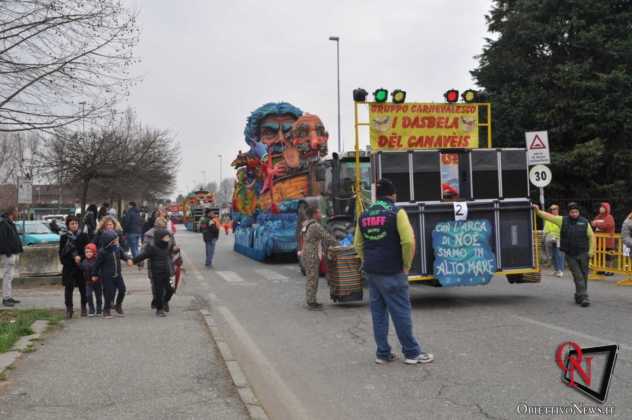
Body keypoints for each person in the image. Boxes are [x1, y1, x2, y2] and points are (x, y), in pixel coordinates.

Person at [354, 178, 434, 365]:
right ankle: (412, 353)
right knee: (401, 312)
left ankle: (382, 353)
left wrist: (368, 261)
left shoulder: (364, 215)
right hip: (392, 270)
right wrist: (406, 265)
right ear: (393, 195)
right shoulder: (397, 212)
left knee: (378, 313)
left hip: (372, 272)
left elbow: (357, 244)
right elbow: (408, 241)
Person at [534, 202, 595, 307]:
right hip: (570, 254)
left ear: (579, 212)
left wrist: (591, 251)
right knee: (578, 275)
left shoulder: (584, 222)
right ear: (569, 212)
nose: (574, 214)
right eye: (572, 212)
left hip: (584, 253)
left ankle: (579, 295)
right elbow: (548, 217)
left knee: (584, 276)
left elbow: (591, 237)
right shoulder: (562, 220)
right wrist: (538, 211)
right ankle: (584, 297)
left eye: (576, 212)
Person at [131, 229, 178, 317]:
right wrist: (132, 261)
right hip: (157, 274)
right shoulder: (152, 248)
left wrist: (175, 250)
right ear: (160, 238)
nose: (168, 239)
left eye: (168, 237)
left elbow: (171, 253)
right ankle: (159, 310)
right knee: (158, 292)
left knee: (171, 289)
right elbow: (142, 256)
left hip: (167, 273)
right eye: (166, 237)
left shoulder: (166, 246)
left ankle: (164, 302)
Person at [301, 206, 338, 310]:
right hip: (311, 254)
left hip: (307, 253)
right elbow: (326, 236)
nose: (320, 214)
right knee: (313, 278)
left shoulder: (307, 224)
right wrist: (339, 244)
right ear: (314, 214)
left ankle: (311, 300)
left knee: (311, 277)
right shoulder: (315, 226)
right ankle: (311, 302)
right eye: (318, 212)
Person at [93, 230, 131, 318]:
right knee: (108, 293)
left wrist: (128, 259)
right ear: (109, 242)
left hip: (118, 274)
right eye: (115, 240)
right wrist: (94, 275)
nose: (117, 242)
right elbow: (96, 265)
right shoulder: (102, 252)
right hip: (107, 276)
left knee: (122, 289)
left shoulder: (118, 249)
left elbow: (123, 256)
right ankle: (106, 310)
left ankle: (118, 305)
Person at [59, 215, 90, 319]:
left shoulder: (83, 236)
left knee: (83, 288)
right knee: (69, 288)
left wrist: (80, 257)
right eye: (72, 223)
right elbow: (61, 254)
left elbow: (88, 251)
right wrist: (70, 261)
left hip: (81, 266)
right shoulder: (64, 237)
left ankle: (84, 307)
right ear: (68, 225)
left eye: (76, 223)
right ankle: (69, 308)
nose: (74, 225)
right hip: (69, 266)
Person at [144, 217, 176, 310]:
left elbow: (173, 246)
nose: (161, 230)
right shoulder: (149, 235)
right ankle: (158, 303)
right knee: (155, 285)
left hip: (167, 263)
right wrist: (140, 262)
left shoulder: (169, 234)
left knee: (169, 286)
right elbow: (144, 249)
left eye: (163, 227)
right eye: (159, 227)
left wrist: (175, 251)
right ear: (155, 226)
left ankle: (164, 301)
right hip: (154, 264)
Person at [0, 207, 24, 307]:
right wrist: (9, 252)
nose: (18, 213)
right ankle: (6, 298)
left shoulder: (9, 222)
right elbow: (3, 240)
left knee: (10, 276)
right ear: (12, 212)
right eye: (16, 211)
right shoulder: (4, 223)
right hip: (8, 254)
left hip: (12, 253)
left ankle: (8, 296)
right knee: (7, 276)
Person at [591, 202, 615, 276]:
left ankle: (609, 270)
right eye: (600, 207)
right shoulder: (598, 216)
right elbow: (593, 223)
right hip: (599, 241)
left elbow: (607, 225)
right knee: (600, 255)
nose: (601, 208)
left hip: (608, 241)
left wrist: (597, 224)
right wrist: (594, 223)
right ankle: (601, 269)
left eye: (603, 207)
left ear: (606, 209)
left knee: (609, 256)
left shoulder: (609, 217)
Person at [81, 243, 102, 317]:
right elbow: (82, 269)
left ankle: (99, 308)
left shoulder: (97, 261)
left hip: (97, 281)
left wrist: (96, 276)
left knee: (98, 296)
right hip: (88, 282)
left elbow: (100, 270)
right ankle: (91, 309)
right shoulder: (84, 262)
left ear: (94, 252)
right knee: (88, 295)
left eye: (90, 252)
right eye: (86, 252)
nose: (88, 254)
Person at [543, 204, 565, 277]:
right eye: (552, 209)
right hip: (550, 238)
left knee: (559, 254)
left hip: (559, 238)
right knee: (553, 255)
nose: (553, 210)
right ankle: (556, 270)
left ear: (558, 210)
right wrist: (545, 236)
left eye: (555, 209)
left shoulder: (561, 218)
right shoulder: (548, 219)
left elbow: (563, 229)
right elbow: (546, 230)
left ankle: (560, 270)